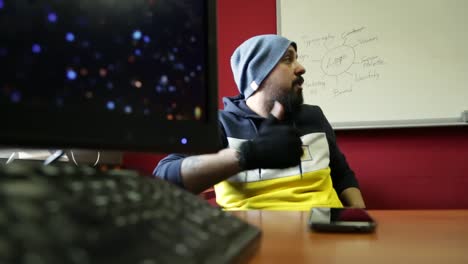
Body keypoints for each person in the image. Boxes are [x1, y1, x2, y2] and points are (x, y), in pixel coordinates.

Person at [154, 34, 366, 210]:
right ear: (258, 75)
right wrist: (246, 156)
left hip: (326, 231)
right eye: (287, 59)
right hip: (257, 236)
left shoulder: (314, 116)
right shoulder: (220, 124)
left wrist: (359, 218)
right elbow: (164, 177)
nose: (301, 68)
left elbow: (342, 174)